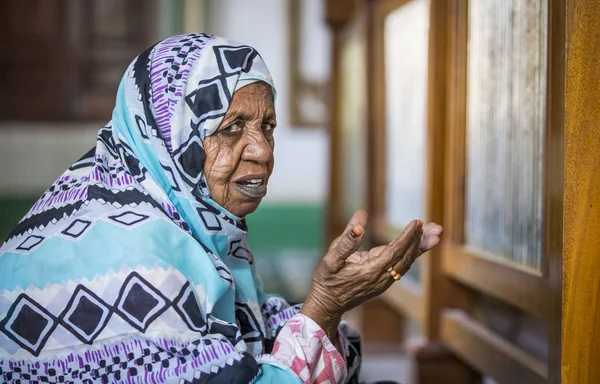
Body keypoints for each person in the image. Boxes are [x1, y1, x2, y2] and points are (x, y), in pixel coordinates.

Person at [0, 34, 442, 384]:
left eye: (267, 126)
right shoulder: (130, 259)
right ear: (169, 140)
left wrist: (327, 303)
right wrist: (324, 306)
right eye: (231, 128)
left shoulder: (196, 234)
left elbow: (254, 339)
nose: (263, 151)